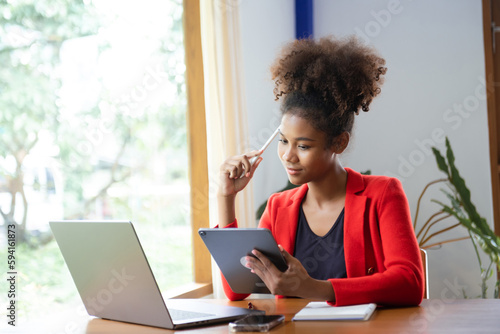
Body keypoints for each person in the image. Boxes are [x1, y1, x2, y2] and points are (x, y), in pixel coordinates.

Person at [217, 36, 424, 306]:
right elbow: (237, 290)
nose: (288, 155)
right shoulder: (279, 207)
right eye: (283, 141)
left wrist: (316, 288)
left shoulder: (383, 194)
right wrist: (225, 197)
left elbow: (409, 283)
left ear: (339, 142)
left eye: (303, 146)